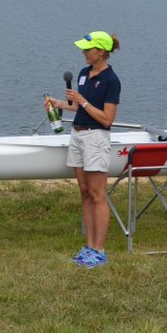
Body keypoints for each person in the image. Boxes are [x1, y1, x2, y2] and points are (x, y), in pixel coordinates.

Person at [45, 31, 121, 268]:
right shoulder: (82, 74)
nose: (83, 53)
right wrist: (58, 104)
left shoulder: (111, 80)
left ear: (100, 52)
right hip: (77, 135)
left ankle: (99, 250)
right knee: (85, 192)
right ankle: (88, 247)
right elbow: (76, 106)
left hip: (96, 138)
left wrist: (82, 101)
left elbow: (107, 119)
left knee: (98, 195)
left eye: (87, 50)